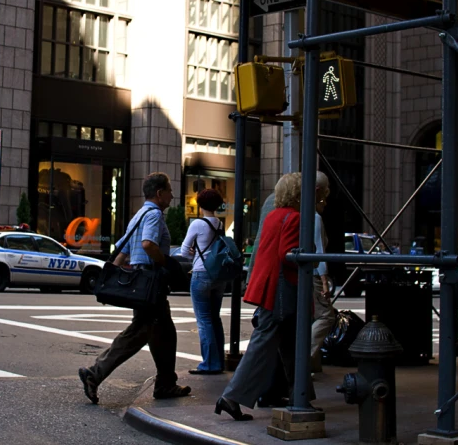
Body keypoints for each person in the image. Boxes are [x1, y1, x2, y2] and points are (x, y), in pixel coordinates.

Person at [78, 172, 191, 404]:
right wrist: (167, 263)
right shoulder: (154, 215)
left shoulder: (138, 215)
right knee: (139, 333)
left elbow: (123, 252)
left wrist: (111, 282)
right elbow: (148, 244)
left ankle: (166, 383)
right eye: (169, 191)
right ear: (159, 194)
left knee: (164, 334)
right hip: (151, 283)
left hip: (142, 283)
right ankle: (95, 373)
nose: (172, 195)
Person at [215, 172, 316, 422]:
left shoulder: (274, 216)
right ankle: (231, 397)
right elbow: (288, 255)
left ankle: (300, 396)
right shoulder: (295, 217)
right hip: (284, 292)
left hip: (271, 289)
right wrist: (310, 255)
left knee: (290, 346)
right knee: (266, 347)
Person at [181, 188, 227, 375]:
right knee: (215, 318)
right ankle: (219, 362)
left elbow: (184, 251)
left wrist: (193, 253)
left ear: (200, 205)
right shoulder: (219, 223)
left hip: (201, 273)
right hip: (218, 275)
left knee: (204, 320)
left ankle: (209, 363)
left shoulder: (197, 224)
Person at [310, 172, 333, 374]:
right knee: (326, 316)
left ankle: (313, 363)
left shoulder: (299, 212)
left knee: (310, 316)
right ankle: (305, 359)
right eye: (326, 191)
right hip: (315, 275)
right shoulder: (314, 217)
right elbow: (319, 251)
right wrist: (324, 282)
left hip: (303, 273)